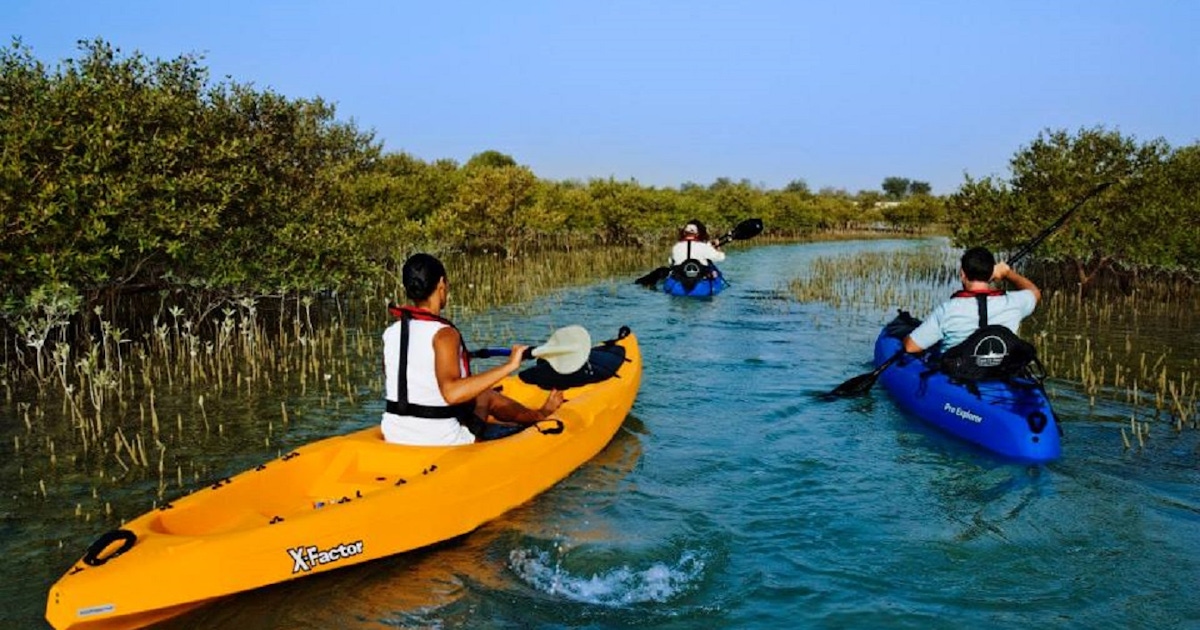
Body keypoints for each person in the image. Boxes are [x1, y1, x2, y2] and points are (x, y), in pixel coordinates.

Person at [381, 253, 563, 446]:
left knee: (475, 397)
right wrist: (510, 366)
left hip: (394, 434)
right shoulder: (445, 334)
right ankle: (541, 414)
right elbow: (451, 393)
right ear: (441, 285)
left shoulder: (391, 332)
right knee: (486, 396)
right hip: (439, 440)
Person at [903, 246, 1042, 354]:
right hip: (1000, 371)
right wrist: (1007, 273)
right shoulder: (1014, 302)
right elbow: (1035, 292)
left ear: (962, 274)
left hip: (958, 374)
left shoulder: (948, 309)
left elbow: (911, 347)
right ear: (991, 274)